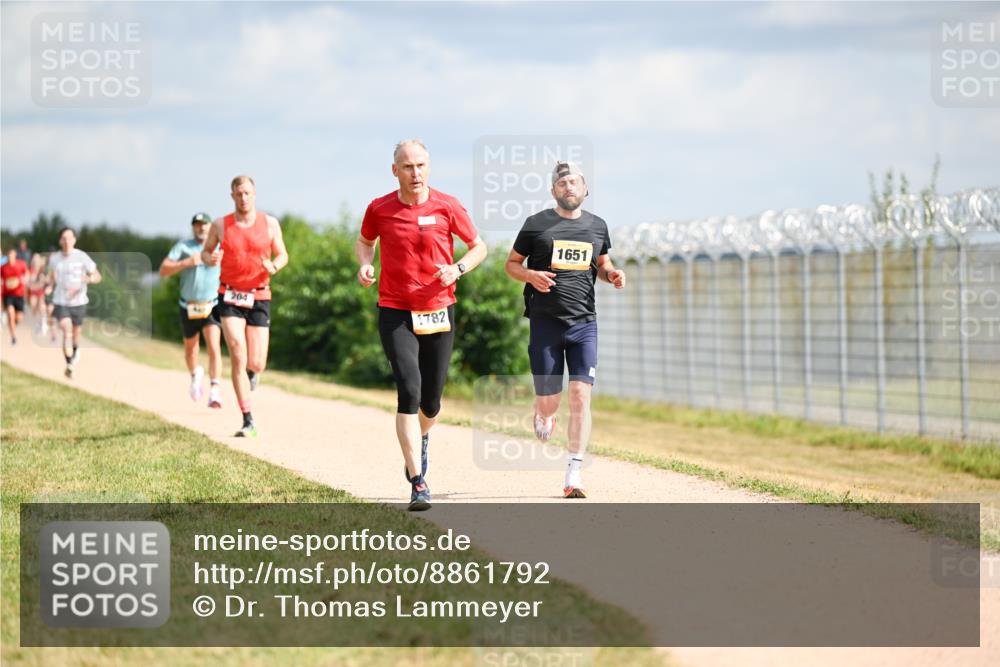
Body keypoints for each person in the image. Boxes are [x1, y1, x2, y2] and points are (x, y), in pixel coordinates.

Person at [356, 139, 488, 511]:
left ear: (429, 168)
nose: (415, 173)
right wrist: (365, 265)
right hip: (395, 309)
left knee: (431, 402)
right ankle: (418, 481)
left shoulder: (447, 205)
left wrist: (457, 268)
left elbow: (478, 246)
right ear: (394, 170)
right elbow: (365, 242)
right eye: (407, 166)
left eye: (421, 165)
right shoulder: (379, 208)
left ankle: (422, 437)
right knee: (408, 392)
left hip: (438, 310)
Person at [504, 162, 626, 498]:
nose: (568, 186)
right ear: (553, 191)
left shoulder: (597, 227)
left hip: (584, 324)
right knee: (549, 402)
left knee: (580, 396)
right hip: (545, 324)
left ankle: (574, 473)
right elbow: (511, 265)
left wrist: (613, 275)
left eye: (574, 181)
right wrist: (531, 275)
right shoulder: (536, 225)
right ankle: (542, 414)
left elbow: (601, 265)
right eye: (561, 183)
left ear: (585, 190)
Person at [201, 175, 288, 437]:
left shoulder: (269, 223)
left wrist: (275, 265)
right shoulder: (220, 224)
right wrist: (210, 256)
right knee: (237, 350)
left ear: (254, 194)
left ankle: (253, 372)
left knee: (257, 362)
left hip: (259, 295)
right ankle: (247, 419)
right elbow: (206, 253)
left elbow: (282, 254)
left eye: (248, 193)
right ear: (232, 196)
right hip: (229, 295)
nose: (243, 198)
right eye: (239, 194)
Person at [160, 212, 224, 408]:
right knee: (191, 349)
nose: (201, 228)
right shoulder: (183, 247)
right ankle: (196, 374)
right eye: (197, 225)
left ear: (211, 226)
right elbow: (163, 270)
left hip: (211, 305)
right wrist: (187, 262)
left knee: (214, 347)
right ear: (193, 227)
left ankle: (214, 391)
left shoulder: (219, 246)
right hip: (188, 306)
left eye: (205, 224)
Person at [48, 227, 102, 378]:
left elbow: (98, 276)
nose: (67, 241)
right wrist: (48, 287)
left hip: (79, 302)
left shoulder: (82, 257)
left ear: (74, 240)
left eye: (69, 238)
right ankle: (69, 363)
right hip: (61, 301)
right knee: (67, 330)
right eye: (64, 238)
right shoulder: (54, 259)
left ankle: (75, 353)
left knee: (76, 334)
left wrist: (89, 279)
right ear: (60, 241)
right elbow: (52, 278)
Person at [1, 247, 29, 344]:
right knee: (10, 312)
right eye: (8, 255)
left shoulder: (21, 264)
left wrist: (24, 280)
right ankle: (13, 337)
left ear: (15, 255)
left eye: (11, 255)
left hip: (19, 294)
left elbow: (27, 274)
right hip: (8, 294)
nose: (10, 257)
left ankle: (13, 323)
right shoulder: (3, 267)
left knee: (19, 318)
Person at [27, 252, 48, 333]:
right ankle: (39, 322)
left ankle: (44, 322)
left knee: (41, 305)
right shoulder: (30, 270)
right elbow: (28, 281)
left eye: (37, 261)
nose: (35, 262)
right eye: (34, 261)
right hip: (33, 292)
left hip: (40, 291)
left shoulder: (42, 270)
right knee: (33, 307)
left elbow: (43, 282)